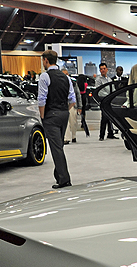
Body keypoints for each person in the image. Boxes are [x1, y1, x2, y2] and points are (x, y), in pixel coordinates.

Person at [38, 50, 76, 189]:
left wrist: (43, 116)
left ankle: (64, 180)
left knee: (56, 148)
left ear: (46, 61)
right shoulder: (66, 77)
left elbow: (41, 99)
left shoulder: (44, 76)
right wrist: (65, 110)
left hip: (51, 115)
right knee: (59, 146)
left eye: (43, 61)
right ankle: (59, 175)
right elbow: (72, 99)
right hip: (63, 114)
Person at [95, 63, 117, 140]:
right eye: (101, 69)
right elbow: (99, 91)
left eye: (104, 68)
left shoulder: (109, 79)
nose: (103, 70)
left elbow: (113, 89)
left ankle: (110, 133)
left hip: (109, 101)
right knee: (104, 118)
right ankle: (101, 135)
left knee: (109, 117)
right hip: (103, 100)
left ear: (107, 69)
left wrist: (112, 96)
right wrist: (109, 95)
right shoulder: (98, 80)